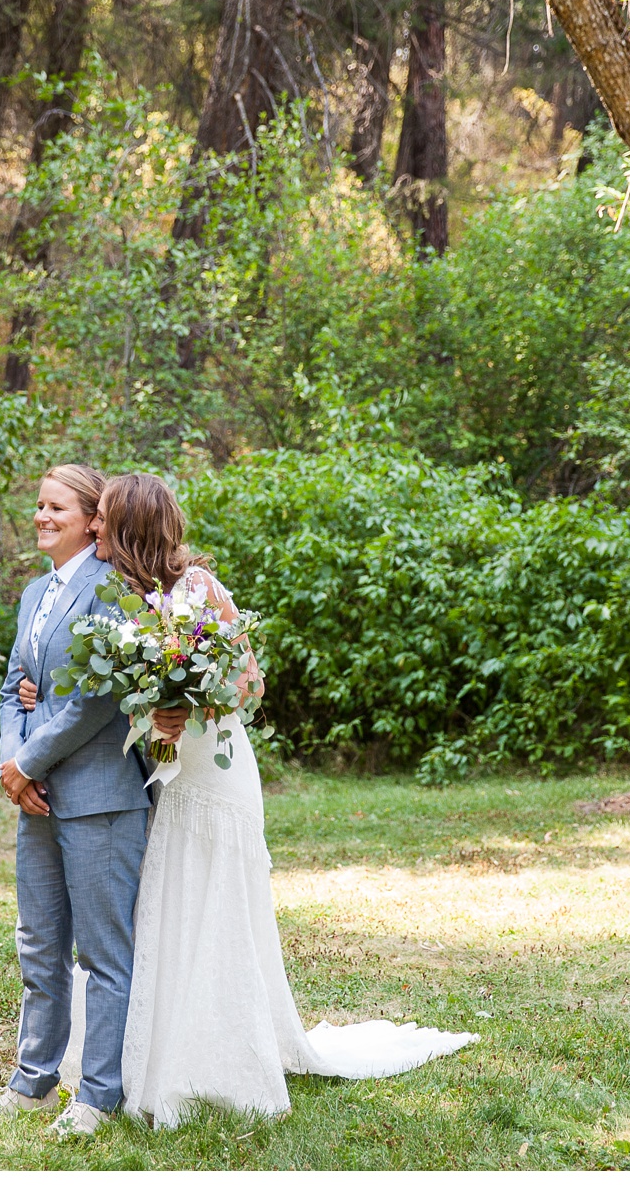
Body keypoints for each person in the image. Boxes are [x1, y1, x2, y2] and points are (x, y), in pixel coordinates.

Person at [84, 472, 477, 1128]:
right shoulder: (128, 605)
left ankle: (226, 1053)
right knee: (176, 896)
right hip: (172, 776)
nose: (93, 526)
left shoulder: (200, 590)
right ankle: (167, 1049)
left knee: (221, 901)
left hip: (218, 770)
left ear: (130, 526)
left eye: (102, 517)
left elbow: (251, 682)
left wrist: (190, 701)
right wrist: (154, 714)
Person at [0, 464, 153, 1139]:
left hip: (101, 796)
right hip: (35, 797)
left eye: (56, 507)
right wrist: (12, 764)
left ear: (91, 518)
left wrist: (28, 759)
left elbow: (95, 702)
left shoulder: (116, 592)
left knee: (102, 953)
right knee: (39, 944)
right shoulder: (31, 594)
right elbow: (14, 682)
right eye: (38, 505)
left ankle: (99, 1095)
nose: (41, 516)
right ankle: (33, 1081)